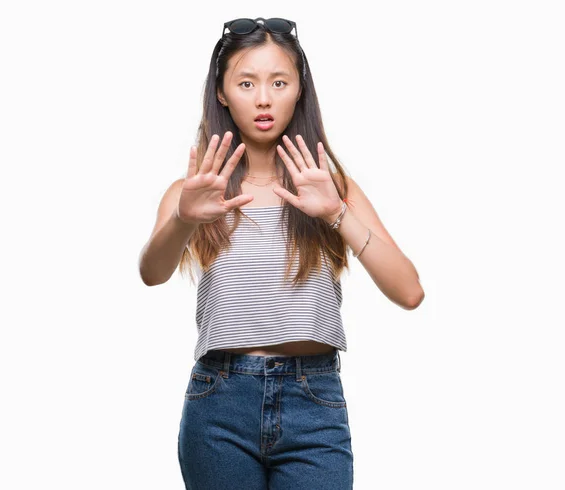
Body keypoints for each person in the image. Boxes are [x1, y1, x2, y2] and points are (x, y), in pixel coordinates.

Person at [139, 17, 424, 489]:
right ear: (223, 93)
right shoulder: (192, 193)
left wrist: (336, 213)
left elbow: (409, 291)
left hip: (314, 400)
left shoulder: (334, 189)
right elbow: (152, 272)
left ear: (299, 90)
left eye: (279, 82)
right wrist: (186, 217)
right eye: (246, 83)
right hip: (219, 402)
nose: (264, 98)